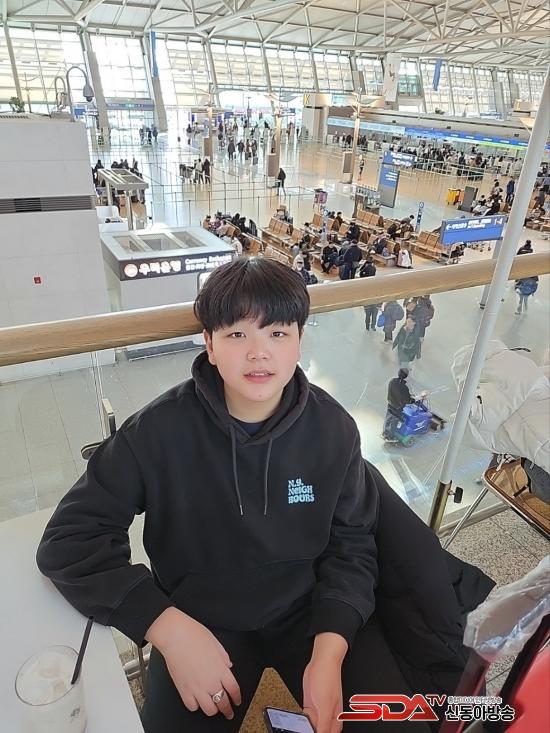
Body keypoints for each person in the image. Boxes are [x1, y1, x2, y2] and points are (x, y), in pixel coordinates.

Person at [36, 257, 382, 733]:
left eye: (277, 333)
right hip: (199, 617)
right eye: (237, 334)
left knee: (385, 717)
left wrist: (330, 651)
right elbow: (69, 541)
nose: (259, 353)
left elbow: (353, 543)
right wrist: (166, 627)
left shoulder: (334, 429)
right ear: (210, 344)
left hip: (306, 611)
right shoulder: (157, 432)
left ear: (300, 340)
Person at [382, 368, 414, 441]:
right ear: (406, 376)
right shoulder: (404, 388)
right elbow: (407, 400)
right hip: (398, 408)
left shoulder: (392, 381)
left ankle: (385, 432)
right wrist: (412, 400)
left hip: (390, 404)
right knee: (394, 422)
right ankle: (390, 437)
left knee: (388, 418)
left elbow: (395, 392)